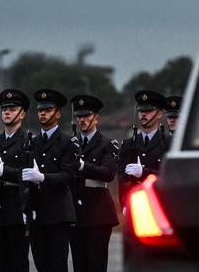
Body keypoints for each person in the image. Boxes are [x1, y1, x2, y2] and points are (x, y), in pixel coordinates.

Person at [22, 88, 77, 272]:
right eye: (40, 110)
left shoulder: (68, 142)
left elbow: (68, 176)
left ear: (58, 113)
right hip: (37, 212)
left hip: (58, 213)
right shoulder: (33, 142)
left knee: (57, 264)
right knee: (41, 262)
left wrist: (43, 178)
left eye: (48, 110)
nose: (43, 113)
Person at [69, 94, 119, 272]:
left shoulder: (107, 144)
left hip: (98, 213)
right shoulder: (70, 144)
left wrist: (84, 166)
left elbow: (108, 173)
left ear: (96, 118)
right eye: (79, 116)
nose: (82, 120)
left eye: (86, 116)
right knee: (79, 265)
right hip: (75, 212)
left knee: (96, 265)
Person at [0, 89, 30, 272]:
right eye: (4, 108)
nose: (7, 112)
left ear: (22, 113)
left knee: (18, 262)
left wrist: (4, 172)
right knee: (1, 262)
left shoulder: (28, 141)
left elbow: (28, 174)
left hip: (17, 208)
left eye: (12, 108)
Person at [118, 90, 171, 209]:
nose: (143, 114)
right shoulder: (128, 144)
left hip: (160, 204)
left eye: (148, 111)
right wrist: (124, 204)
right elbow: (121, 178)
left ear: (159, 114)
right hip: (136, 204)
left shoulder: (168, 143)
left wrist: (144, 172)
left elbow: (170, 176)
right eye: (141, 111)